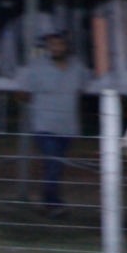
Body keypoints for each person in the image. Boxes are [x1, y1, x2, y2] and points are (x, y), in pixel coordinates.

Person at [15, 30, 92, 217]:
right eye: (52, 45)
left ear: (67, 46)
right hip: (44, 124)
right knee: (53, 162)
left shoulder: (79, 68)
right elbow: (22, 93)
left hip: (68, 126)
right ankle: (53, 202)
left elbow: (84, 89)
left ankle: (48, 199)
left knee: (55, 165)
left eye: (59, 44)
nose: (56, 48)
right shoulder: (35, 68)